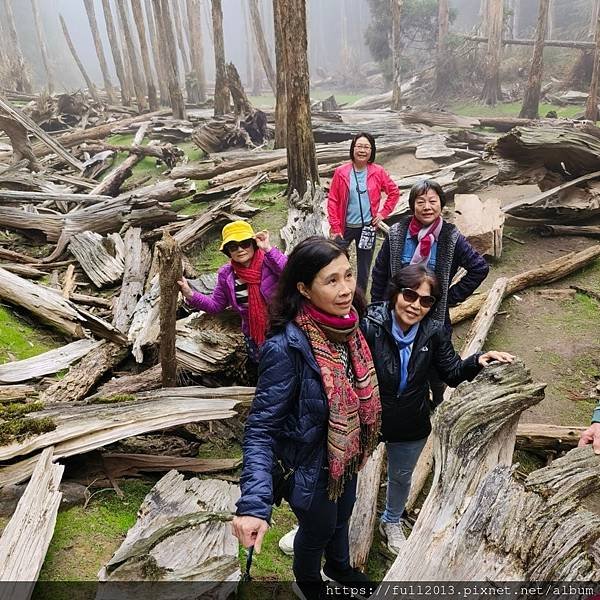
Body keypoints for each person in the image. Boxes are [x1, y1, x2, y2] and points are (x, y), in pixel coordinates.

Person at [232, 237, 381, 600]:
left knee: (344, 513)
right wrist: (254, 505)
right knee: (317, 530)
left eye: (348, 275)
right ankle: (307, 583)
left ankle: (339, 566)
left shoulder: (350, 327)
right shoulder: (286, 346)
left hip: (346, 456)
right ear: (303, 288)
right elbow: (260, 430)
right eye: (331, 281)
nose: (346, 289)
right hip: (309, 469)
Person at [361, 264, 513, 555]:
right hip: (368, 417)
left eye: (426, 300)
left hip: (411, 419)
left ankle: (391, 520)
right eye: (410, 295)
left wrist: (479, 360)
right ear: (396, 293)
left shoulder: (433, 331)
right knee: (347, 474)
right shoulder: (370, 324)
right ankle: (324, 524)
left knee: (402, 475)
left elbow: (452, 372)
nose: (416, 305)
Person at [370, 179, 489, 405]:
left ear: (441, 204)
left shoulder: (451, 236)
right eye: (421, 201)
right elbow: (380, 272)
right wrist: (378, 307)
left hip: (433, 316)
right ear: (412, 205)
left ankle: (438, 397)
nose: (427, 207)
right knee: (394, 359)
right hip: (397, 313)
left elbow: (479, 268)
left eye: (432, 201)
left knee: (437, 363)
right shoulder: (397, 234)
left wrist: (449, 297)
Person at [177, 221, 286, 366]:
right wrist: (190, 294)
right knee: (265, 370)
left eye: (245, 243)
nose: (240, 249)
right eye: (233, 246)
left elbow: (291, 274)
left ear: (253, 243)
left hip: (283, 328)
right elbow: (215, 305)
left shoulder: (270, 260)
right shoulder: (226, 274)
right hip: (254, 334)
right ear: (228, 251)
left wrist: (268, 249)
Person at [327, 131, 400, 293]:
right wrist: (335, 227)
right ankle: (338, 294)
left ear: (371, 151)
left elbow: (394, 192)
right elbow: (333, 200)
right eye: (359, 146)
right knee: (335, 262)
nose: (362, 150)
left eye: (366, 147)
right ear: (353, 148)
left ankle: (359, 300)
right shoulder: (341, 172)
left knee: (364, 268)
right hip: (344, 228)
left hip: (367, 228)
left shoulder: (378, 171)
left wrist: (382, 214)